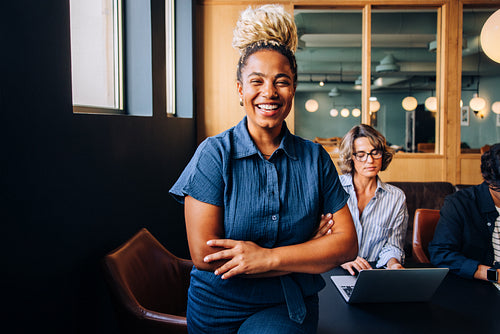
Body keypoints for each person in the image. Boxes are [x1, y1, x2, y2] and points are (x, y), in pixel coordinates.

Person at [169, 5, 358, 333]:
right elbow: (205, 255)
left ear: (293, 90)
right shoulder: (213, 155)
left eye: (281, 82)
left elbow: (345, 245)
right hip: (216, 307)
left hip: (285, 305)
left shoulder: (315, 159)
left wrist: (268, 258)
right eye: (256, 81)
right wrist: (304, 253)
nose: (269, 92)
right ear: (241, 89)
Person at [337, 124, 409, 275]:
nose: (370, 160)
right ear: (351, 157)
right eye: (361, 154)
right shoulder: (333, 188)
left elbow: (393, 245)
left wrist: (393, 264)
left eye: (375, 152)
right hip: (335, 269)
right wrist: (342, 258)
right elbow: (319, 237)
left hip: (374, 274)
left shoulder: (396, 197)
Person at [429, 144, 500, 284]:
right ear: (489, 179)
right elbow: (441, 254)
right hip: (479, 287)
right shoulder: (459, 204)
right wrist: (492, 274)